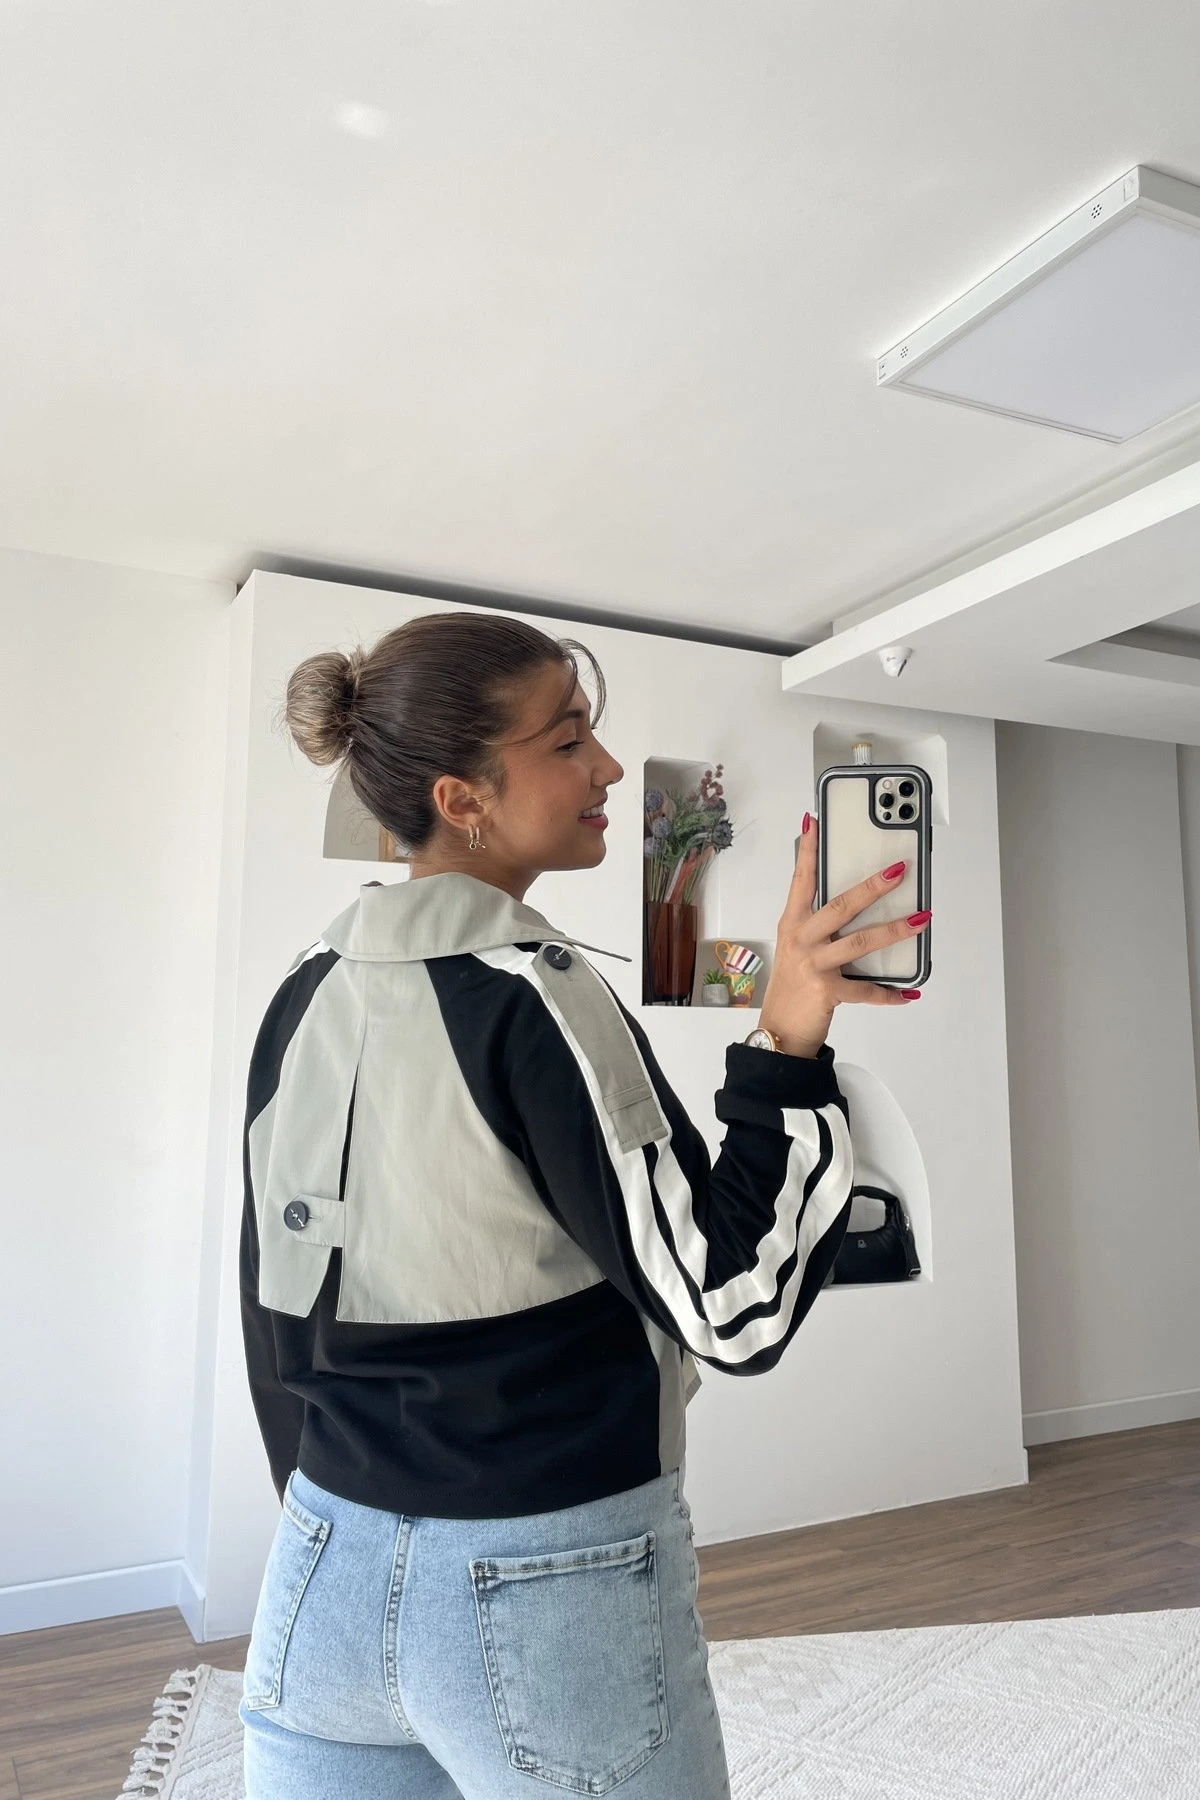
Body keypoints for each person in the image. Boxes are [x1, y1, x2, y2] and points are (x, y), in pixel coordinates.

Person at [237, 610, 929, 1799]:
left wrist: (350, 1513)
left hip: (319, 1570)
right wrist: (792, 1036)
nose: (607, 767)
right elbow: (733, 1306)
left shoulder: (304, 992)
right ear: (463, 799)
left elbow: (273, 1310)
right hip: (543, 1576)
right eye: (567, 742)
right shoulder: (532, 996)